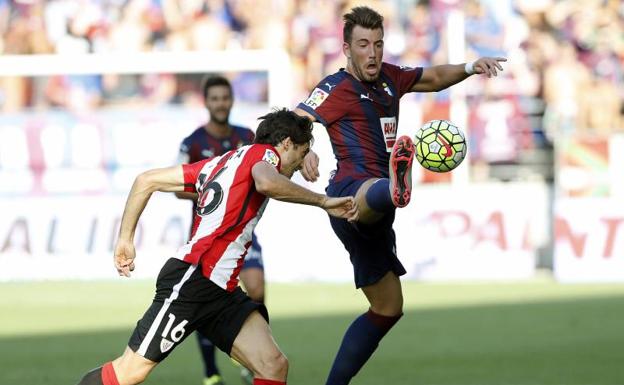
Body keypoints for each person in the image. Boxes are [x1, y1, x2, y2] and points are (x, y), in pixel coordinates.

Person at [294, 6, 506, 385]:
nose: (372, 53)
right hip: (348, 191)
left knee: (388, 307)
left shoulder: (391, 78)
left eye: (377, 44)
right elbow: (296, 118)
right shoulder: (336, 86)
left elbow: (436, 77)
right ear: (346, 48)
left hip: (379, 207)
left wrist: (473, 66)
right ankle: (393, 188)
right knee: (367, 195)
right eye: (363, 45)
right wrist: (304, 147)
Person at [75, 109, 358, 385]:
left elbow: (146, 180)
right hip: (194, 278)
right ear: (285, 144)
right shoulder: (263, 154)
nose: (298, 165)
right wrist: (322, 202)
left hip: (221, 288)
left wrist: (125, 239)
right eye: (300, 153)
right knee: (129, 373)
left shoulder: (217, 164)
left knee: (272, 365)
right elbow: (266, 182)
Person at [176, 75, 265, 385]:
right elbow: (178, 188)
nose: (220, 104)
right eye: (214, 99)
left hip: (242, 231)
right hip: (207, 236)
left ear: (231, 100)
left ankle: (253, 359)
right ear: (206, 102)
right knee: (205, 300)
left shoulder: (248, 136)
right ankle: (211, 371)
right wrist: (219, 189)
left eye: (224, 98)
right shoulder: (193, 143)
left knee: (255, 288)